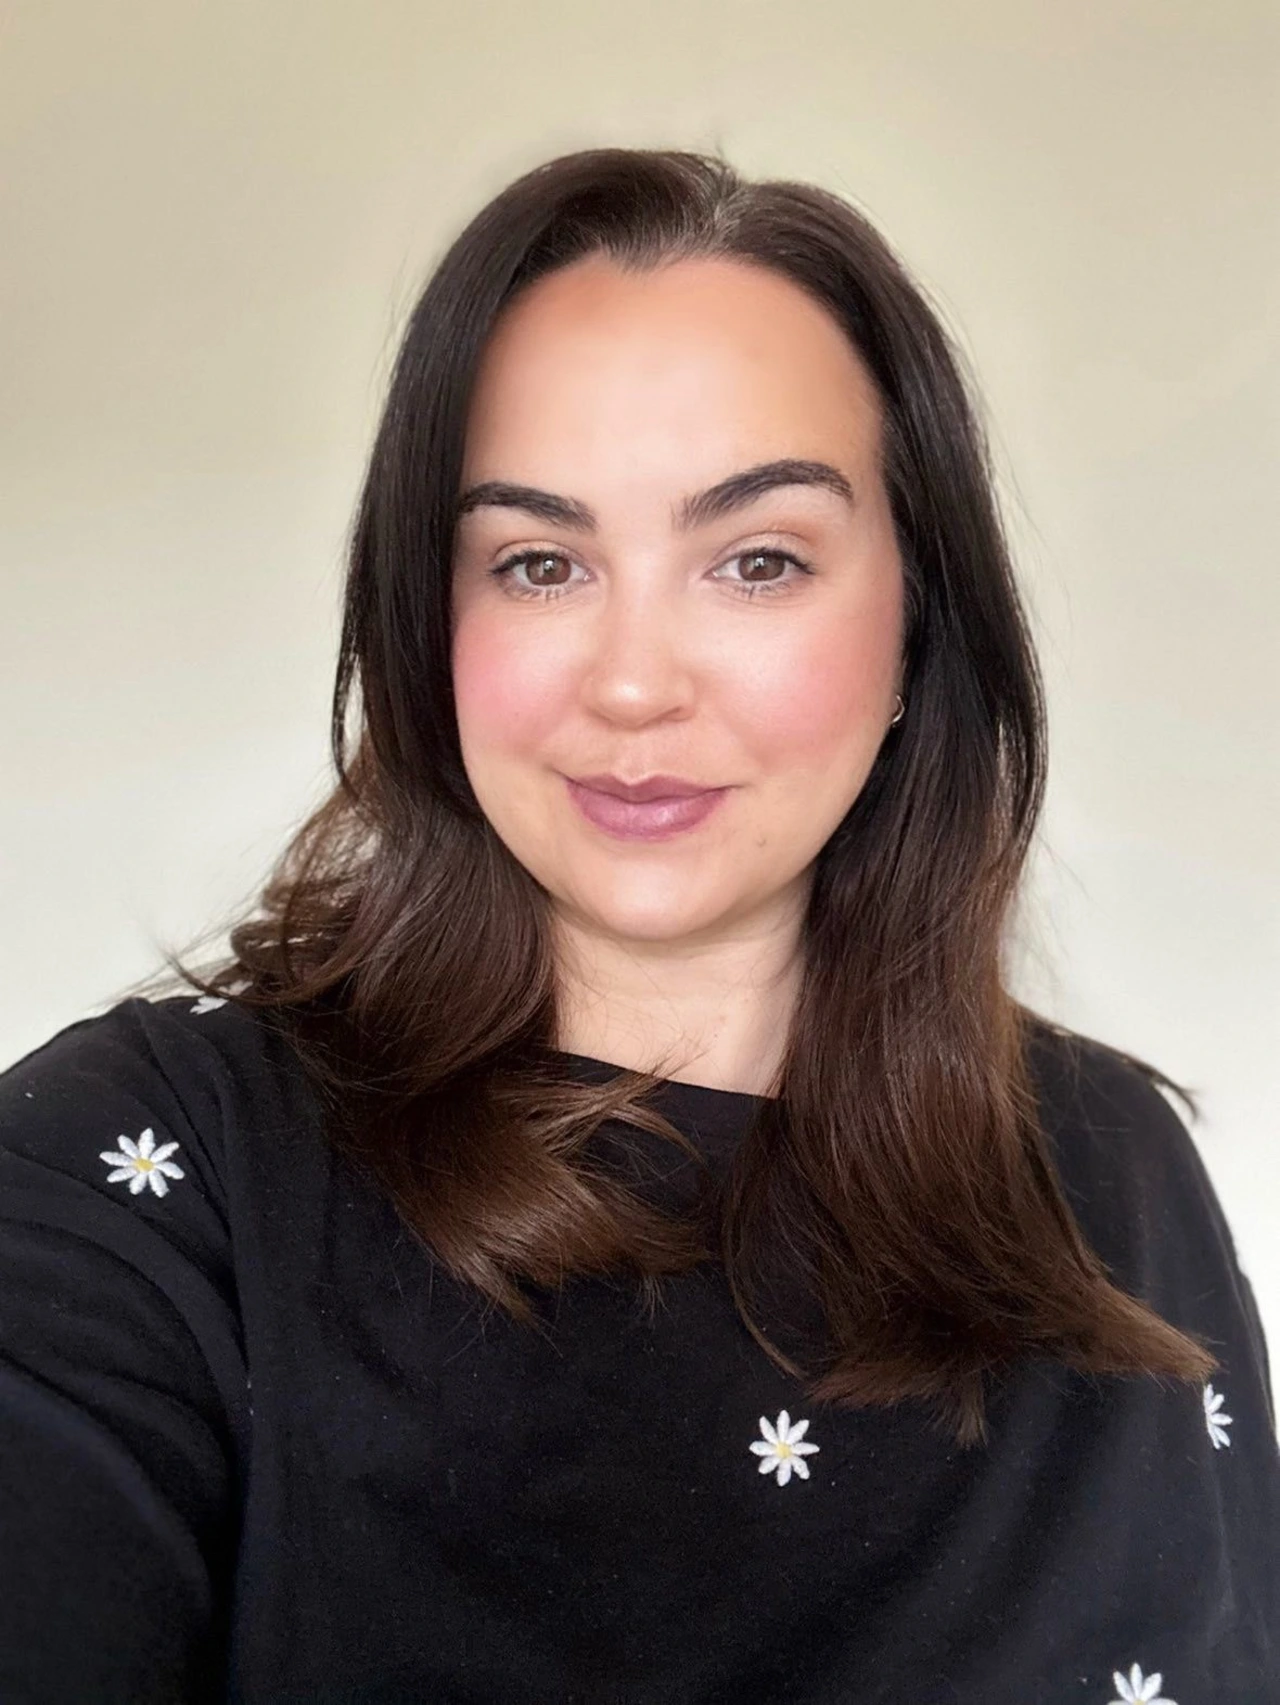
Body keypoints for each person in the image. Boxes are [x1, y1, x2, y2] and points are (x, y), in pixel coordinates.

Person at [1, 146, 1276, 1704]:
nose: (631, 684)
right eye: (538, 564)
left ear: (919, 616)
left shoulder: (1120, 1165)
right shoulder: (143, 1175)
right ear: (428, 620)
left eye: (758, 562)